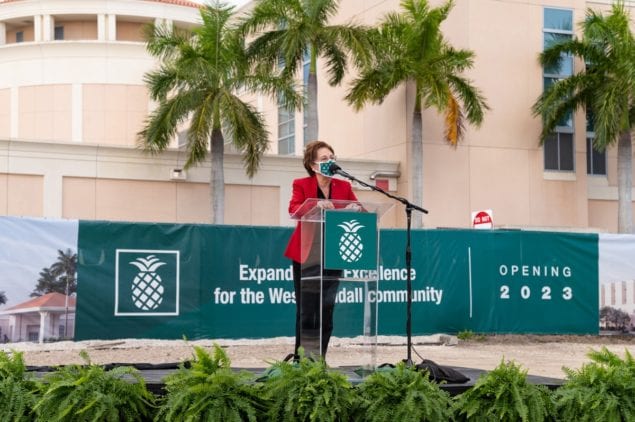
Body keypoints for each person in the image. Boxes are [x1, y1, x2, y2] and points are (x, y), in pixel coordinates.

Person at [284, 140, 360, 359]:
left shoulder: (344, 186)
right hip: (306, 255)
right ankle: (302, 360)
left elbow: (357, 208)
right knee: (307, 311)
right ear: (312, 164)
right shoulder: (301, 184)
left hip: (333, 255)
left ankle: (319, 360)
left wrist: (353, 209)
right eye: (325, 159)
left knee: (326, 310)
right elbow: (294, 210)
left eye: (332, 157)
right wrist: (315, 204)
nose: (330, 161)